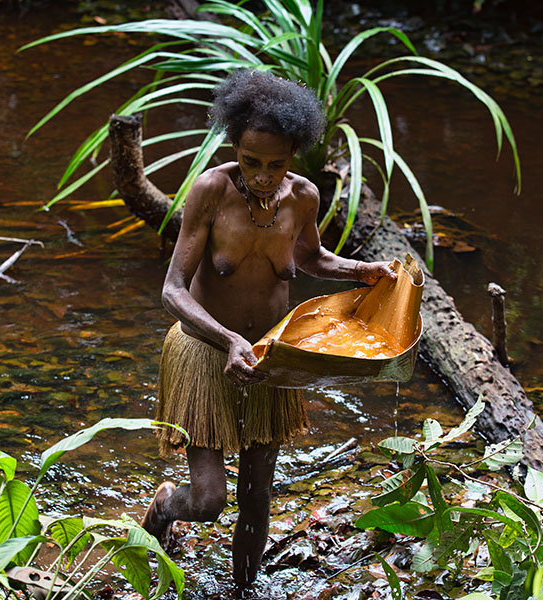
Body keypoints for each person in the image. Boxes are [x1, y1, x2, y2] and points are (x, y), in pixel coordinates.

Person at [140, 69, 394, 591]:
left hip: (270, 358)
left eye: (276, 165)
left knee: (257, 496)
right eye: (251, 162)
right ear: (234, 145)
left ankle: (243, 589)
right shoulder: (210, 191)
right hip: (205, 351)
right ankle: (167, 505)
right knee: (210, 502)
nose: (262, 176)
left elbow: (311, 257)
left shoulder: (301, 197)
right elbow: (172, 290)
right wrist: (229, 340)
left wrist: (359, 271)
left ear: (294, 155)